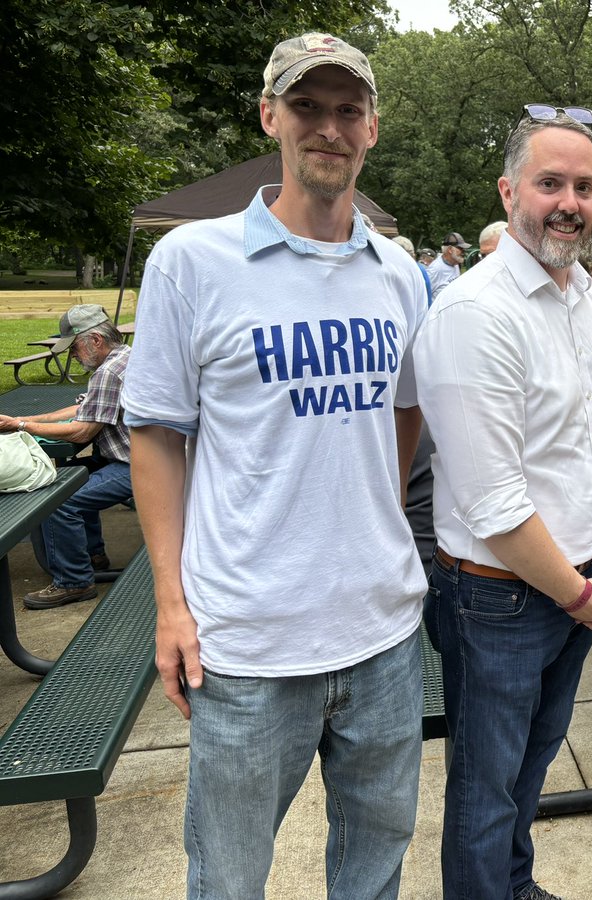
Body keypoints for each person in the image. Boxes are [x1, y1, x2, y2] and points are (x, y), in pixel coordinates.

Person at [121, 33, 428, 899]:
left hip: (383, 635)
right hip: (248, 645)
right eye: (306, 107)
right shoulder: (192, 262)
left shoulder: (400, 273)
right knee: (228, 875)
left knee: (374, 867)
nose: (328, 127)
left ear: (371, 128)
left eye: (347, 110)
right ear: (270, 118)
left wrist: (368, 511)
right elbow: (155, 436)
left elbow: (403, 412)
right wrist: (172, 605)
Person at [414, 107, 592, 900]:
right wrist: (585, 596)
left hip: (583, 585)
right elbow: (495, 503)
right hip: (499, 600)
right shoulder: (475, 314)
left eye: (584, 185)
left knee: (531, 768)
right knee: (484, 790)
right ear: (510, 190)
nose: (569, 201)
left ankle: (512, 887)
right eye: (551, 183)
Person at [0, 305, 132, 609]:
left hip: (135, 465)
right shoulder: (122, 357)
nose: (72, 355)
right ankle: (91, 555)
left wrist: (21, 426)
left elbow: (82, 432)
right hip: (132, 456)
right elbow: (80, 409)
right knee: (68, 476)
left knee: (59, 499)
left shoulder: (109, 371)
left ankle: (74, 581)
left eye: (73, 347)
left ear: (96, 340)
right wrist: (25, 417)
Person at [427, 231, 471, 296]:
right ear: (450, 249)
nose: (463, 252)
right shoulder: (435, 269)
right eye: (461, 248)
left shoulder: (455, 264)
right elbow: (423, 295)